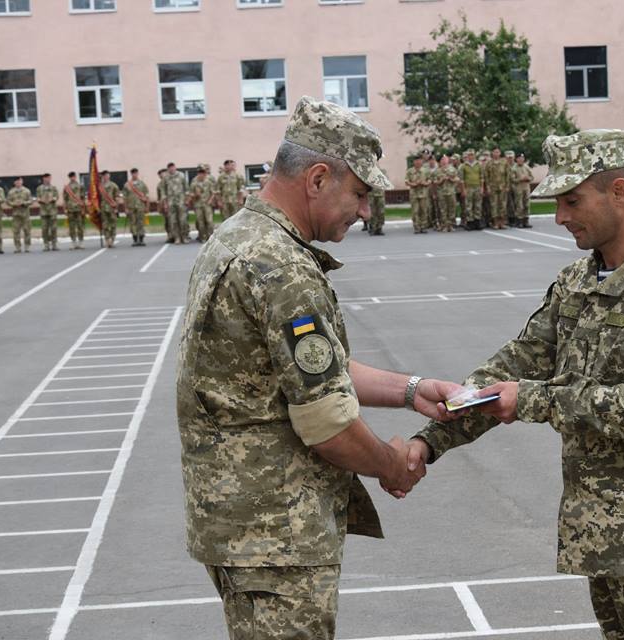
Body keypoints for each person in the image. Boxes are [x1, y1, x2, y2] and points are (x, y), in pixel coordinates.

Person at [408, 129, 624, 640]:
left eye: (572, 200)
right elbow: (518, 363)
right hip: (600, 533)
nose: (560, 216)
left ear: (620, 192)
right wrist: (431, 440)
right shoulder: (577, 281)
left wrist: (531, 400)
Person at [177, 96, 459, 640]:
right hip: (278, 532)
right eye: (359, 193)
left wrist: (412, 390)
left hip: (247, 526)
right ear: (317, 178)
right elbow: (327, 422)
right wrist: (390, 465)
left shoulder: (238, 237)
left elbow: (307, 370)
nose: (364, 211)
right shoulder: (281, 266)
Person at [161, 162, 190, 244]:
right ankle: (177, 238)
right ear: (168, 169)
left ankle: (184, 237)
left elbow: (187, 189)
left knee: (183, 220)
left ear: (175, 167)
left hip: (181, 202)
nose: (171, 169)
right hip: (170, 203)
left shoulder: (181, 175)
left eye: (172, 167)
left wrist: (187, 200)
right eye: (170, 168)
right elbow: (163, 192)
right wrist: (165, 204)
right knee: (173, 221)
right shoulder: (165, 178)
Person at [123, 168, 150, 247]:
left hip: (140, 207)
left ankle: (141, 239)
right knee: (132, 223)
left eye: (136, 173)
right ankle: (135, 239)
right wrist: (125, 208)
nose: (135, 174)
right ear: (131, 174)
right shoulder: (127, 185)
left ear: (138, 173)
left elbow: (147, 195)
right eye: (133, 173)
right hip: (131, 207)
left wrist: (147, 207)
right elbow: (125, 197)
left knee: (140, 223)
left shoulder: (142, 184)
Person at [190, 165, 216, 243]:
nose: (202, 175)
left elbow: (213, 193)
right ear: (198, 174)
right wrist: (195, 195)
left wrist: (210, 200)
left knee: (209, 221)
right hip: (198, 205)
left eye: (203, 173)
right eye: (200, 173)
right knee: (200, 222)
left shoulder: (208, 182)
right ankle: (202, 237)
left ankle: (210, 237)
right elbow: (190, 194)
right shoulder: (194, 183)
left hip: (207, 205)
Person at [7, 177, 33, 253]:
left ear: (22, 182)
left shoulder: (26, 191)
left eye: (19, 181)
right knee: (16, 231)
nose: (18, 183)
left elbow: (31, 200)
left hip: (25, 214)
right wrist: (14, 204)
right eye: (17, 182)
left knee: (27, 230)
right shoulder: (11, 192)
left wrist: (24, 203)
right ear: (14, 183)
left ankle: (27, 246)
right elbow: (8, 201)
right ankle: (17, 247)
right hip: (16, 214)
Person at [459, 149, 483, 230]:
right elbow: (461, 179)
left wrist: (482, 187)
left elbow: (482, 177)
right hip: (468, 187)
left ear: (475, 155)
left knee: (478, 205)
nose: (471, 156)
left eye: (472, 155)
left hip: (477, 186)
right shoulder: (464, 166)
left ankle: (477, 221)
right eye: (469, 155)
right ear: (467, 156)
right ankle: (470, 222)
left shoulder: (479, 165)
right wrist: (463, 190)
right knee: (469, 205)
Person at [405, 156, 430, 233]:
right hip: (414, 194)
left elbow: (429, 180)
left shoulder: (425, 171)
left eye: (419, 161)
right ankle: (417, 227)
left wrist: (424, 183)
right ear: (414, 162)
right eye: (416, 161)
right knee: (415, 211)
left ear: (421, 162)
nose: (418, 162)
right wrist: (413, 184)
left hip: (423, 193)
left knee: (424, 210)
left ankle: (423, 226)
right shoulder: (410, 171)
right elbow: (406, 181)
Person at [98, 170, 122, 249]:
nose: (106, 177)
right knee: (105, 225)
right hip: (103, 208)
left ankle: (112, 239)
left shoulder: (113, 185)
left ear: (109, 176)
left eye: (107, 175)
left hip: (112, 207)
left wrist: (116, 208)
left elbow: (117, 197)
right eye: (104, 175)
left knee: (113, 224)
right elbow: (97, 198)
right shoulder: (99, 186)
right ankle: (107, 239)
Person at [36, 173, 60, 251]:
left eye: (49, 178)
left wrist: (53, 199)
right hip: (43, 211)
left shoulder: (53, 188)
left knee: (53, 228)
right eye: (46, 178)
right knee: (44, 228)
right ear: (43, 179)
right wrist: (40, 200)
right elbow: (38, 197)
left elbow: (57, 196)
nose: (48, 179)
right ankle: (46, 244)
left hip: (52, 210)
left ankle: (54, 244)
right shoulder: (39, 188)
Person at [63, 171, 86, 250]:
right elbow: (65, 199)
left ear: (75, 177)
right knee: (71, 227)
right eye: (71, 177)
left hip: (79, 208)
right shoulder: (67, 187)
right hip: (70, 209)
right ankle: (73, 242)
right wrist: (65, 209)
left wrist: (83, 209)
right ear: (69, 177)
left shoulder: (80, 186)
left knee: (80, 226)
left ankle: (81, 242)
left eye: (73, 176)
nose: (72, 178)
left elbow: (83, 198)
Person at [511, 152, 533, 228]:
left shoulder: (526, 167)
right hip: (518, 188)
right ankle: (519, 221)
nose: (521, 160)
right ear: (516, 159)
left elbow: (532, 177)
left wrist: (528, 178)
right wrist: (520, 179)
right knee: (519, 205)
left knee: (526, 204)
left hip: (526, 187)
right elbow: (512, 179)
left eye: (522, 158)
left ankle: (526, 220)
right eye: (519, 158)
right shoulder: (514, 168)